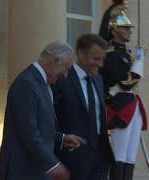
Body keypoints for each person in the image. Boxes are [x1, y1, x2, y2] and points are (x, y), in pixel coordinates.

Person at [0, 42, 87, 180]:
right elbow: (28, 132)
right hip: (22, 171)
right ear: (55, 61)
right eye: (66, 68)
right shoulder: (26, 84)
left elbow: (38, 126)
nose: (65, 74)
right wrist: (53, 165)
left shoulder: (40, 83)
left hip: (34, 170)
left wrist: (61, 138)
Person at [52, 34, 115, 180]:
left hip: (100, 156)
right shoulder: (63, 78)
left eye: (102, 59)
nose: (100, 64)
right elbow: (52, 119)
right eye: (96, 59)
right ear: (80, 54)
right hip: (72, 158)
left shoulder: (99, 79)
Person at [99, 1, 147, 179]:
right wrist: (140, 61)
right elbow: (127, 81)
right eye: (125, 27)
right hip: (119, 106)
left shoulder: (125, 54)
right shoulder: (111, 54)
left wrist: (136, 60)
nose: (129, 31)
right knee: (119, 155)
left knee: (130, 156)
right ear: (114, 29)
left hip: (132, 105)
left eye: (129, 27)